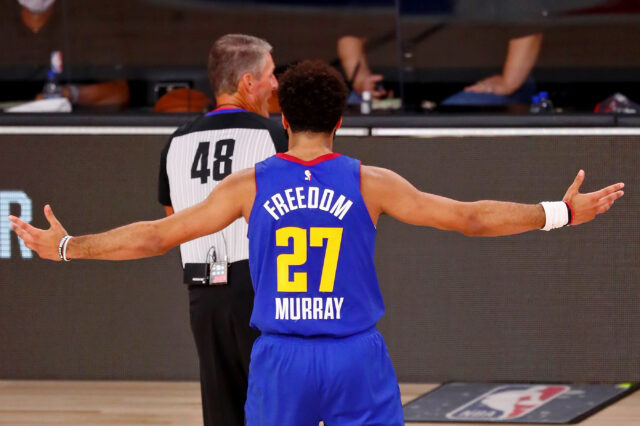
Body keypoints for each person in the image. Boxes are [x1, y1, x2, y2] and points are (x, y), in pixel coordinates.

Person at [9, 60, 624, 425]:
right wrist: (558, 213)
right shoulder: (370, 182)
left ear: (282, 118)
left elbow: (156, 237)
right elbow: (469, 219)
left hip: (281, 360)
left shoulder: (247, 187)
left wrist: (68, 247)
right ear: (340, 120)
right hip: (355, 356)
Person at [157, 34, 286, 426]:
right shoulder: (274, 137)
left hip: (202, 293)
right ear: (248, 82)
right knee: (275, 408)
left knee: (220, 411)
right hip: (260, 289)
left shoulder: (175, 143)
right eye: (271, 74)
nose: (276, 83)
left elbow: (173, 222)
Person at [442, 33, 543, 106]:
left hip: (493, 83)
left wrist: (509, 83)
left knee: (451, 118)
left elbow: (528, 23)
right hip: (437, 81)